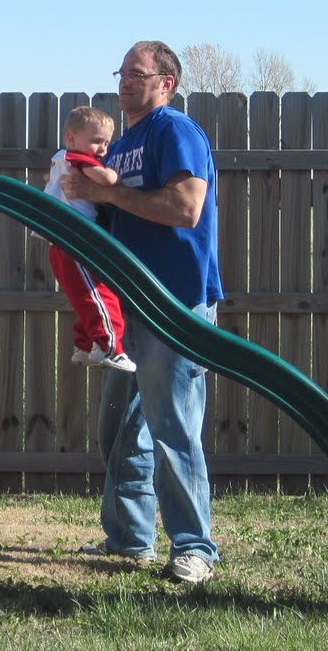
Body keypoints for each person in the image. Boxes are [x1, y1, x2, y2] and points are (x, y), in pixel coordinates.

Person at [60, 41, 223, 585]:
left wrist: (111, 197)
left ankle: (194, 547)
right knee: (122, 428)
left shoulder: (175, 131)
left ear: (166, 83)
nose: (124, 82)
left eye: (137, 73)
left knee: (173, 429)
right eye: (122, 73)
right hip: (130, 302)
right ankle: (130, 538)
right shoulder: (122, 142)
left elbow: (186, 207)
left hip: (174, 301)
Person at [44, 105, 135, 373]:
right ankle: (110, 348)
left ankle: (84, 347)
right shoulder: (78, 158)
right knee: (100, 293)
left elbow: (49, 179)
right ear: (71, 138)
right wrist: (115, 176)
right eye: (97, 141)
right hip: (76, 237)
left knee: (83, 294)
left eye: (106, 143)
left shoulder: (59, 158)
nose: (103, 150)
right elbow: (104, 178)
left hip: (59, 239)